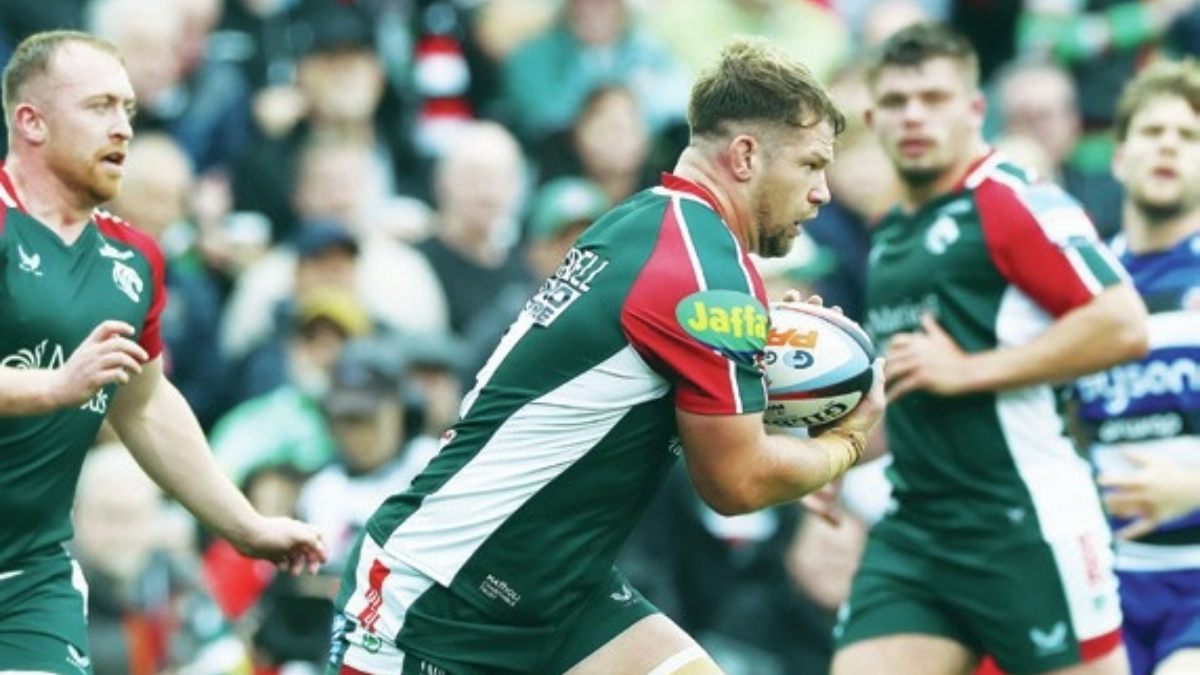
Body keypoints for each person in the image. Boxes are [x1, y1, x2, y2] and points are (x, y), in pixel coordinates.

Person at [327, 37, 885, 675]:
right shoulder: (705, 277)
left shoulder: (645, 221)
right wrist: (844, 441)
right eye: (811, 165)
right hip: (442, 596)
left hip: (555, 591)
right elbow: (735, 482)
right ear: (746, 155)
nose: (823, 193)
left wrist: (770, 360)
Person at [0, 30, 325, 672]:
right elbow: (67, 386)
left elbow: (144, 406)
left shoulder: (133, 259)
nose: (122, 127)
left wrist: (245, 525)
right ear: (30, 121)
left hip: (27, 577)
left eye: (128, 109)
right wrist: (52, 388)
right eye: (98, 107)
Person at [832, 23, 1150, 675]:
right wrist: (828, 454)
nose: (913, 114)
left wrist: (972, 370)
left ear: (976, 109)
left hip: (1023, 521)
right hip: (916, 527)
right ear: (871, 118)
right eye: (895, 101)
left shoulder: (1012, 197)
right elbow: (915, 385)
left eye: (934, 97)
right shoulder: (891, 232)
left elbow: (1124, 322)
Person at [1072, 58, 1200, 675]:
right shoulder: (1079, 289)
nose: (1168, 146)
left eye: (1188, 135)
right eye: (1152, 133)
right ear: (1119, 158)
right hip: (1104, 579)